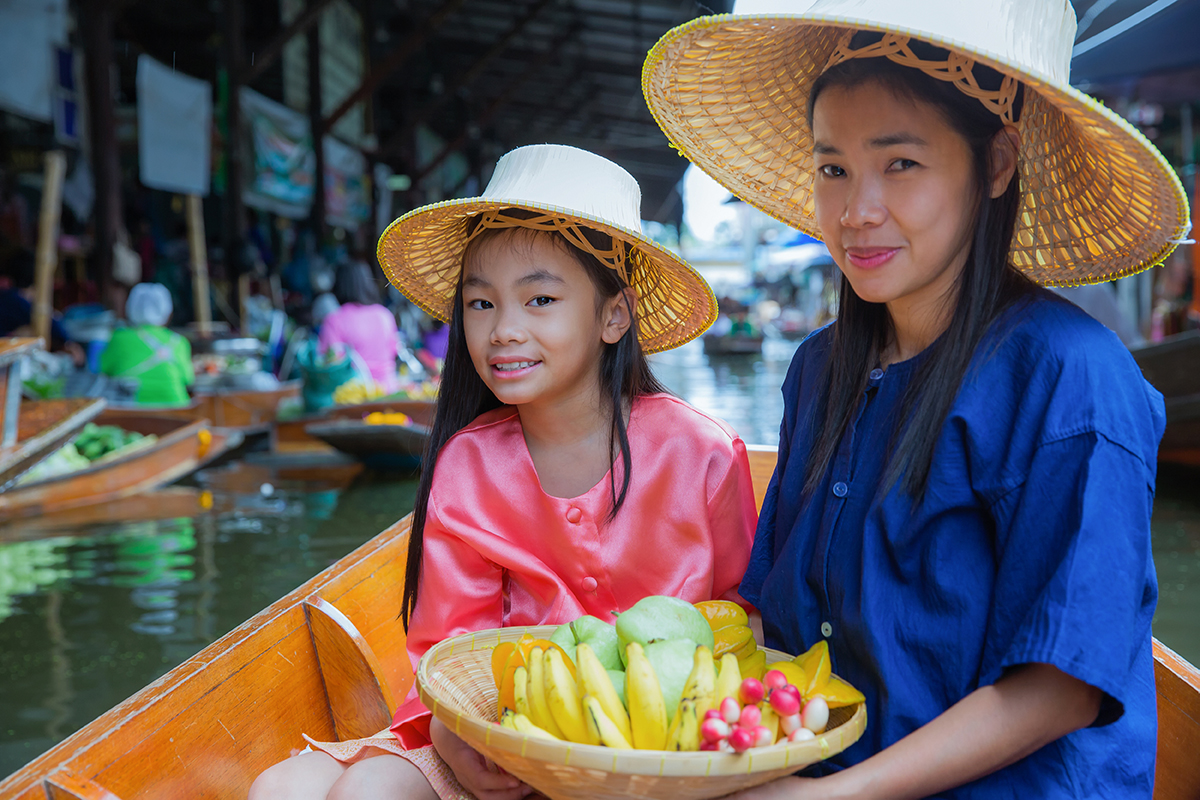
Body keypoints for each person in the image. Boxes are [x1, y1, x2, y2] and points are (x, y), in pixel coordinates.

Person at [642, 1, 1189, 797]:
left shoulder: (1075, 380)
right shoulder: (820, 369)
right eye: (833, 169)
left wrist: (831, 795)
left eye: (900, 164)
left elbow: (1061, 686)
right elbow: (777, 624)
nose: (857, 211)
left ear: (995, 164)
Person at [249, 144, 757, 799]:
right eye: (481, 303)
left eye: (539, 299)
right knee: (280, 789)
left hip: (667, 751)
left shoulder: (703, 453)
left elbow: (744, 627)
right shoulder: (468, 461)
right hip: (497, 735)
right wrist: (460, 744)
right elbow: (451, 648)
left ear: (614, 314)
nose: (503, 330)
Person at [100, 282, 193, 406]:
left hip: (132, 411)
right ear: (168, 312)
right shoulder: (179, 341)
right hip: (177, 408)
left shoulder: (119, 338)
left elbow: (102, 368)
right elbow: (188, 379)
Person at [318, 256, 401, 393]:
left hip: (355, 397)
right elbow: (394, 351)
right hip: (390, 391)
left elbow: (331, 363)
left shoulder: (334, 320)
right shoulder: (384, 314)